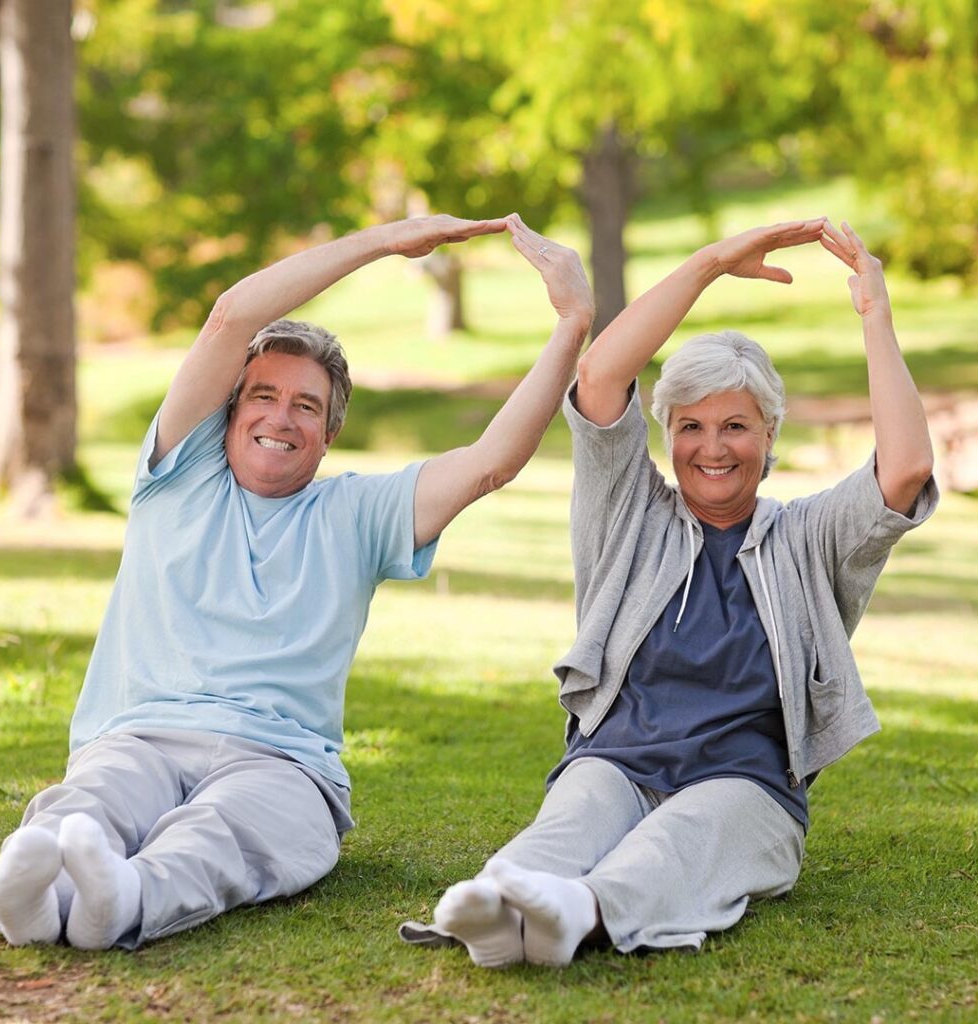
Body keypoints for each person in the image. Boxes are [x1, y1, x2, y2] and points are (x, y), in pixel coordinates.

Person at [0, 213, 595, 950]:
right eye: (264, 396)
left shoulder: (359, 513)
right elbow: (230, 317)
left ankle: (127, 896)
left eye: (306, 405)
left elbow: (492, 460)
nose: (281, 417)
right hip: (140, 733)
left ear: (329, 432)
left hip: (280, 764)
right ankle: (34, 899)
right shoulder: (178, 478)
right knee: (96, 800)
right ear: (230, 413)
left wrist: (573, 322)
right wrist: (383, 242)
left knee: (226, 831)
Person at [402, 218, 938, 968]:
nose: (712, 448)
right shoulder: (631, 512)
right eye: (690, 426)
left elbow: (905, 468)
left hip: (746, 788)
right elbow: (598, 376)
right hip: (617, 760)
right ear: (666, 434)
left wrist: (875, 312)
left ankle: (575, 915)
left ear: (770, 434)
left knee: (679, 840)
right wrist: (714, 261)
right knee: (575, 817)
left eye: (736, 426)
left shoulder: (812, 537)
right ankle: (503, 896)